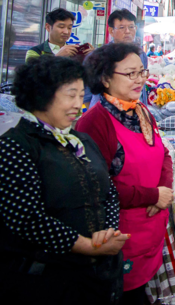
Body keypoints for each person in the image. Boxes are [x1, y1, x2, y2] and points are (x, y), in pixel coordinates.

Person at [0, 56, 127, 304]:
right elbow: (26, 219)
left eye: (81, 96)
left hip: (93, 276)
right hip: (43, 281)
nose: (78, 105)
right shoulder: (15, 147)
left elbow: (109, 192)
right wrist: (85, 246)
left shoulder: (81, 141)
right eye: (70, 95)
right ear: (41, 94)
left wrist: (107, 232)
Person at [76, 43, 173, 304]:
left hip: (150, 231)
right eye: (131, 74)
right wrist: (152, 195)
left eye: (142, 72)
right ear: (105, 78)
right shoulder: (95, 122)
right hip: (121, 236)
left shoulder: (141, 111)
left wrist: (163, 190)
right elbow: (96, 186)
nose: (141, 80)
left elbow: (163, 154)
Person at [89, 10, 148, 108]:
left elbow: (142, 87)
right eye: (122, 27)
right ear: (111, 31)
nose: (128, 31)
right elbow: (88, 92)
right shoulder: (101, 56)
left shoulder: (141, 55)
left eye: (131, 27)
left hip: (134, 110)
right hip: (106, 111)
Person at [25, 8, 93, 61]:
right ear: (48, 27)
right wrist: (58, 57)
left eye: (69, 27)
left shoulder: (75, 52)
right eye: (61, 27)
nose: (66, 32)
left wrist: (94, 58)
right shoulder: (35, 52)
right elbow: (33, 75)